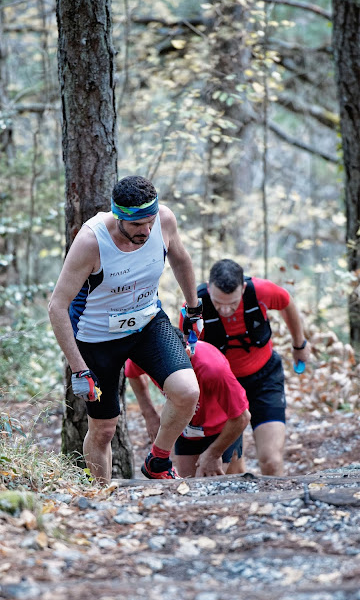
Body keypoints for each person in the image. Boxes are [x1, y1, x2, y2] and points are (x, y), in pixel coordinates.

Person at [48, 175, 203, 484]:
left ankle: (157, 462)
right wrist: (79, 369)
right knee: (104, 430)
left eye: (150, 222)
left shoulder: (164, 221)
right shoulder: (91, 241)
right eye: (137, 226)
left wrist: (194, 308)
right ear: (118, 216)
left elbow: (181, 260)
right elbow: (56, 306)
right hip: (97, 337)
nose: (146, 231)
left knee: (187, 392)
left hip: (148, 323)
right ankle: (100, 495)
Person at [180, 258, 311, 476]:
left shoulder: (262, 291)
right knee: (233, 469)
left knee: (271, 460)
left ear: (243, 288)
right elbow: (189, 353)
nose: (225, 309)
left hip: (264, 378)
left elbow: (287, 303)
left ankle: (277, 505)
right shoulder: (195, 306)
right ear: (209, 287)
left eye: (232, 303)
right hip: (224, 387)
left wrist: (300, 344)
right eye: (218, 302)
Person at [125, 329, 250, 477]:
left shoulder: (212, 368)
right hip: (186, 426)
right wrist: (149, 414)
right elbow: (131, 373)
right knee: (189, 484)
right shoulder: (151, 357)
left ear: (186, 354)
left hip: (221, 428)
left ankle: (237, 463)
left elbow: (242, 417)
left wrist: (213, 454)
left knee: (220, 484)